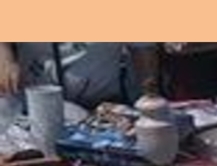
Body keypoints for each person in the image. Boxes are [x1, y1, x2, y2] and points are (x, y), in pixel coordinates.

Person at [0, 43, 160, 108]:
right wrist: (6, 60)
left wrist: (149, 96)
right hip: (32, 106)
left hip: (103, 108)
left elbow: (143, 49)